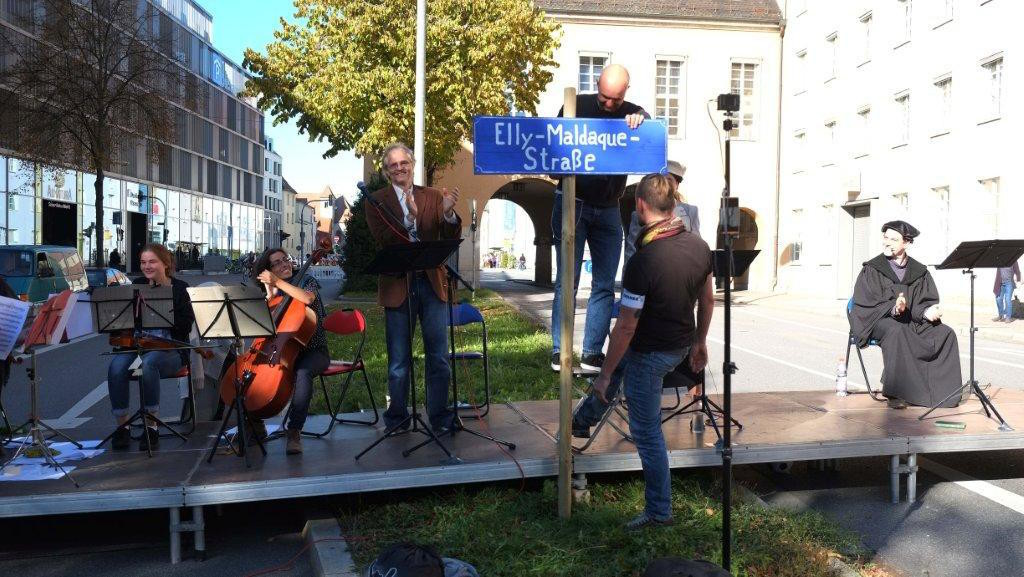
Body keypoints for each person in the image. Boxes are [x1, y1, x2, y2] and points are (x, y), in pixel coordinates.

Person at [572, 174, 714, 530]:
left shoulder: (643, 261)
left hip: (652, 352)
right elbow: (707, 299)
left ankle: (659, 512)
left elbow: (626, 326)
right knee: (625, 364)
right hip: (678, 346)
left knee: (647, 432)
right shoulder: (699, 247)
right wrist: (699, 341)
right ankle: (583, 417)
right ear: (673, 204)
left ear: (640, 205)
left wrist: (603, 374)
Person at [550, 63, 649, 373]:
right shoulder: (574, 106)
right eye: (605, 97)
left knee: (605, 283)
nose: (609, 105)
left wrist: (641, 118)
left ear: (626, 94)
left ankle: (592, 352)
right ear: (596, 85)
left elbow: (647, 125)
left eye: (616, 100)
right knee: (568, 280)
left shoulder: (631, 112)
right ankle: (559, 349)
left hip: (608, 207)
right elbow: (553, 156)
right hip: (572, 203)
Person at [364, 142, 461, 433]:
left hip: (431, 284)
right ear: (386, 171)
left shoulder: (432, 195)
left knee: (439, 356)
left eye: (403, 163)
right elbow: (385, 240)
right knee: (398, 361)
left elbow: (447, 233)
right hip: (398, 286)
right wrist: (409, 217)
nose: (399, 169)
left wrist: (447, 214)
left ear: (412, 164)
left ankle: (440, 416)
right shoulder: (375, 200)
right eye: (393, 165)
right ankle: (397, 418)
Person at [850, 220, 964, 409]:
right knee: (897, 330)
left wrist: (928, 311)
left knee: (946, 333)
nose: (887, 242)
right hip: (879, 321)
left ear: (906, 243)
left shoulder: (919, 272)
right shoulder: (873, 268)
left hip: (912, 321)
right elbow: (866, 302)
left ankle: (942, 393)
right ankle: (896, 393)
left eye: (893, 239)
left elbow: (924, 302)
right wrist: (894, 308)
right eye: (885, 237)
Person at [107, 244, 195, 451]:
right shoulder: (136, 285)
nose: (147, 266)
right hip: (138, 348)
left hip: (171, 351)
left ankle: (151, 427)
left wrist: (162, 309)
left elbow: (186, 325)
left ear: (166, 263)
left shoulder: (181, 288)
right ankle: (123, 428)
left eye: (152, 261)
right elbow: (120, 322)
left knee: (148, 364)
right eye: (143, 262)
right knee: (116, 367)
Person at [251, 247, 330, 455]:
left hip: (314, 351)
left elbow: (306, 299)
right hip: (283, 351)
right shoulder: (276, 290)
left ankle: (294, 431)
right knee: (248, 373)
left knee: (303, 372)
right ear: (269, 270)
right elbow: (266, 329)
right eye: (276, 263)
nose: (284, 264)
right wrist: (270, 295)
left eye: (285, 259)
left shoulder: (307, 280)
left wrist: (278, 283)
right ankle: (254, 423)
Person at [624, 160, 700, 263]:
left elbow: (696, 246)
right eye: (661, 180)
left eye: (669, 180)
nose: (664, 184)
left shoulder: (691, 211)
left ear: (677, 185)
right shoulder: (641, 213)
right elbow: (631, 251)